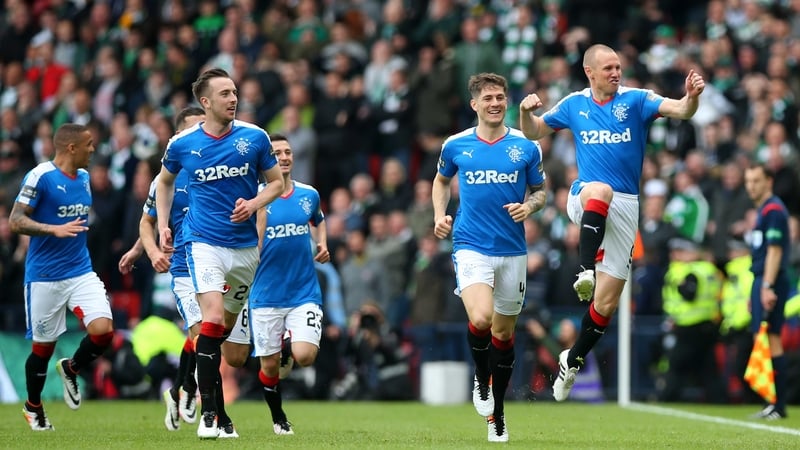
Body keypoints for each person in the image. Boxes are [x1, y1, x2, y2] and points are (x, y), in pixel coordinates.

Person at [518, 43, 705, 401]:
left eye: (618, 67)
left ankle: (572, 360)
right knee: (600, 190)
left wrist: (691, 96)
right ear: (590, 72)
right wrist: (526, 113)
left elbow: (681, 110)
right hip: (586, 196)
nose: (616, 73)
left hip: (626, 207)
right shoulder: (575, 104)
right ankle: (585, 269)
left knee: (605, 305)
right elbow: (534, 132)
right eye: (608, 68)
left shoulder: (636, 99)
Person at [155, 68, 284, 439]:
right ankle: (211, 414)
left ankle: (190, 389)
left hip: (244, 249)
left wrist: (254, 202)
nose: (234, 99)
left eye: (235, 92)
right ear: (206, 102)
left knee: (226, 340)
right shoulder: (181, 144)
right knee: (210, 321)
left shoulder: (254, 138)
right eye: (225, 94)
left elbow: (276, 183)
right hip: (202, 243)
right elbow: (163, 183)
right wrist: (165, 224)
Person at [117, 107, 251, 436]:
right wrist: (143, 250)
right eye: (193, 130)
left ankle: (184, 388)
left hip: (221, 263)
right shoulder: (167, 179)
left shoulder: (223, 173)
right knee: (203, 333)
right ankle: (218, 417)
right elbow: (147, 223)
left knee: (229, 352)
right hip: (183, 269)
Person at [432, 72, 547, 443]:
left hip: (512, 250)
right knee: (481, 318)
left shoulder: (526, 145)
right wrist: (439, 215)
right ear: (475, 104)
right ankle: (482, 381)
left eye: (500, 97)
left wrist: (529, 207)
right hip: (470, 244)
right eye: (489, 98)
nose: (495, 103)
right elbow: (440, 181)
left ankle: (497, 414)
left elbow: (541, 192)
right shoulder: (456, 145)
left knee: (504, 332)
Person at [9, 123, 115, 431]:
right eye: (89, 144)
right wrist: (51, 229)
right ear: (72, 148)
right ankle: (33, 407)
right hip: (43, 277)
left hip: (80, 270)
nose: (93, 150)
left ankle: (72, 368)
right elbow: (16, 220)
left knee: (103, 331)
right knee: (43, 349)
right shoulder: (40, 177)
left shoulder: (83, 179)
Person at [251, 133, 330, 435]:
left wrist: (321, 243)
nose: (284, 157)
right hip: (266, 295)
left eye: (287, 152)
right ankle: (278, 418)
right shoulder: (256, 197)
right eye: (277, 153)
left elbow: (318, 219)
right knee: (269, 368)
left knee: (306, 356)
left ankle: (289, 346)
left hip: (303, 293)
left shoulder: (308, 194)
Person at [744, 164, 790, 420]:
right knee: (762, 339)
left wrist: (766, 287)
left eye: (756, 180)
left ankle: (778, 405)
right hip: (761, 279)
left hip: (770, 280)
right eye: (748, 181)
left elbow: (775, 251)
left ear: (768, 181)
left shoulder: (773, 210)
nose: (751, 186)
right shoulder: (764, 210)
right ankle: (771, 402)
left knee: (771, 339)